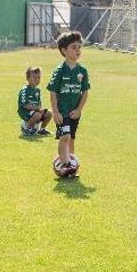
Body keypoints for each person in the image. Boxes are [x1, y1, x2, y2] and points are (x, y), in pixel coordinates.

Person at [47, 31, 90, 175]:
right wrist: (55, 111)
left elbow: (85, 92)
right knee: (64, 138)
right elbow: (52, 92)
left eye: (79, 47)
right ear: (64, 50)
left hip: (74, 112)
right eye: (73, 47)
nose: (78, 50)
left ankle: (71, 165)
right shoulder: (59, 71)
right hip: (62, 112)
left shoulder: (82, 71)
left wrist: (79, 109)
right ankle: (64, 165)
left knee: (71, 139)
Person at [18, 66, 52, 136]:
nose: (37, 80)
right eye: (34, 78)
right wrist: (36, 109)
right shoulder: (24, 90)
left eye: (39, 78)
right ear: (28, 78)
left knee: (49, 113)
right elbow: (24, 104)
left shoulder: (37, 90)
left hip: (35, 111)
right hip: (25, 112)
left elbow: (38, 103)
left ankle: (41, 129)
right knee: (37, 115)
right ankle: (26, 128)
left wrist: (40, 109)